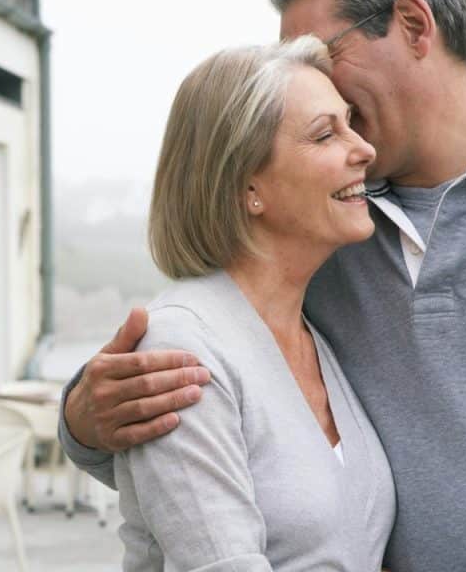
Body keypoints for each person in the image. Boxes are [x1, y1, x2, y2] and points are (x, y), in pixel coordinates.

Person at [60, 0, 466, 569]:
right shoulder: (323, 228)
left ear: (412, 24)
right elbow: (203, 346)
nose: (310, 75)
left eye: (322, 54)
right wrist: (83, 421)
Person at [114, 36, 393, 571]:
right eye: (325, 134)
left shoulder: (315, 336)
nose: (363, 149)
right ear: (248, 186)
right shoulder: (184, 349)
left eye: (350, 123)